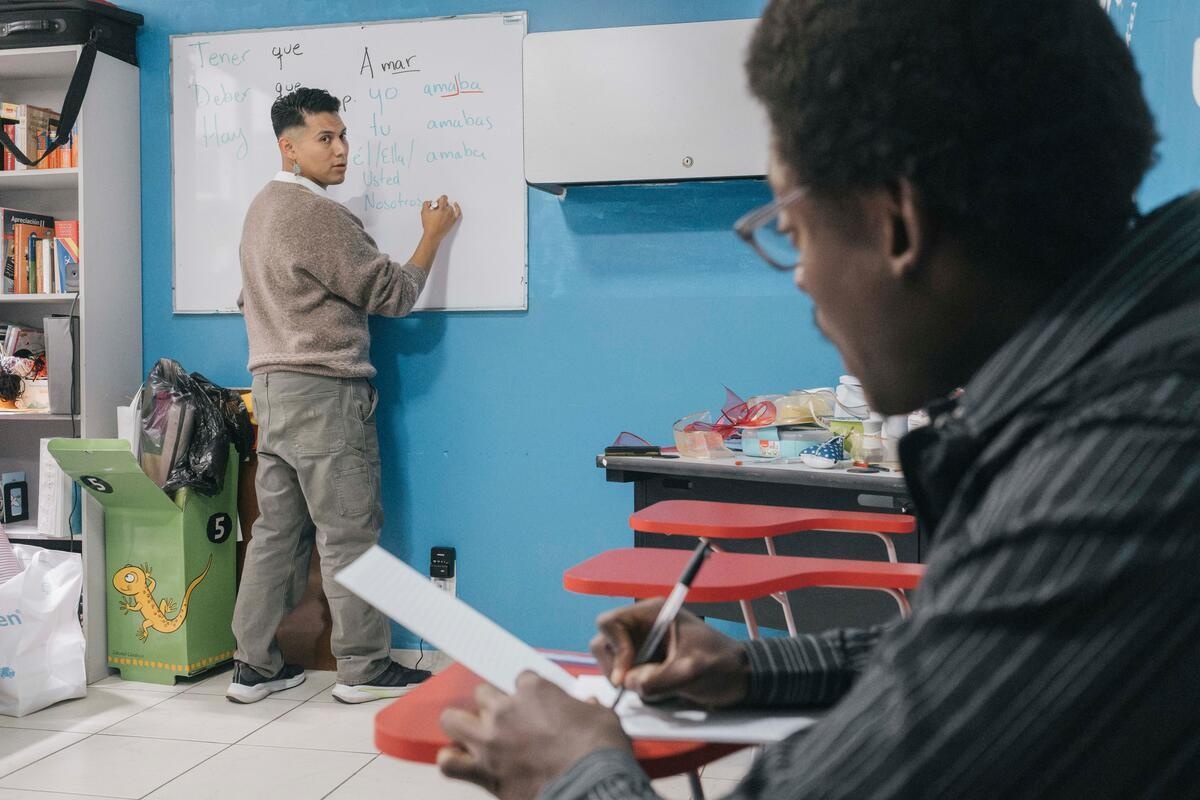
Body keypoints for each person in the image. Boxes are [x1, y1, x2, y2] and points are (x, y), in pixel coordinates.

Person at [435, 1, 1200, 796]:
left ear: (895, 225)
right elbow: (1009, 641)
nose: (798, 276)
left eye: (792, 232)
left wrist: (570, 769)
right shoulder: (1153, 334)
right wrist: (759, 666)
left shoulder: (1129, 459)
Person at [227, 87, 462, 705]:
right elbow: (395, 294)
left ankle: (253, 666)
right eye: (324, 138)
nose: (340, 149)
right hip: (325, 393)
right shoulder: (318, 215)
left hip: (271, 391)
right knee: (348, 532)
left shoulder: (259, 210)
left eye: (341, 136)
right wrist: (432, 235)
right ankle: (363, 668)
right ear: (289, 147)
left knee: (276, 533)